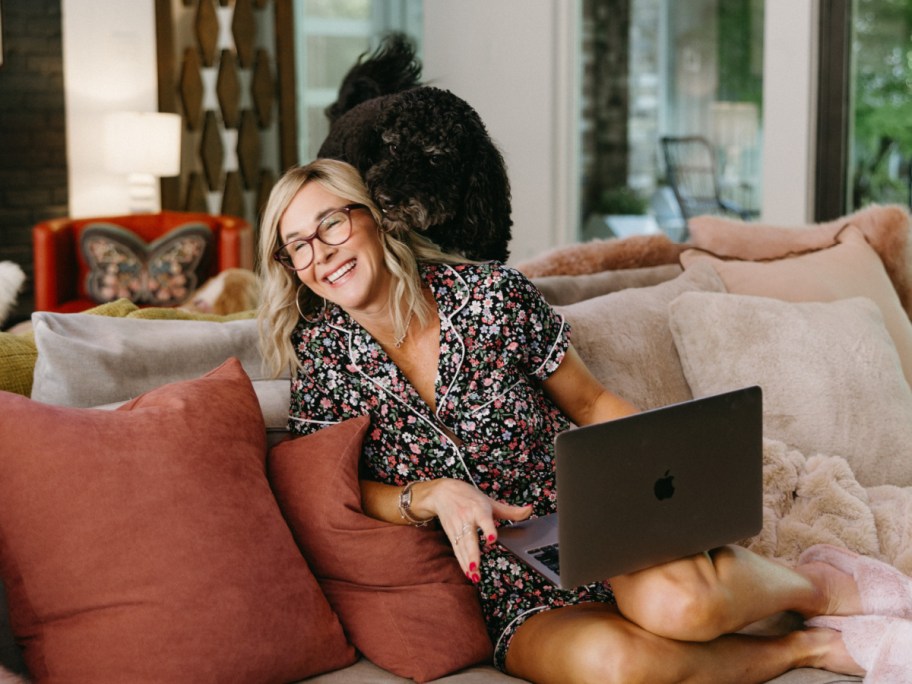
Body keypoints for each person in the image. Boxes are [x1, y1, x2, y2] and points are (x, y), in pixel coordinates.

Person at [257, 158, 866, 682]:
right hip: (500, 587)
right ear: (291, 267)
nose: (323, 253)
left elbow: (593, 402)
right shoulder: (321, 360)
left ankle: (815, 584)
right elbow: (336, 492)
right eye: (299, 246)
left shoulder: (489, 295)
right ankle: (800, 646)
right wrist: (429, 496)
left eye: (331, 223)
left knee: (681, 609)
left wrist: (670, 491)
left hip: (594, 520)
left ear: (371, 217)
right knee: (618, 668)